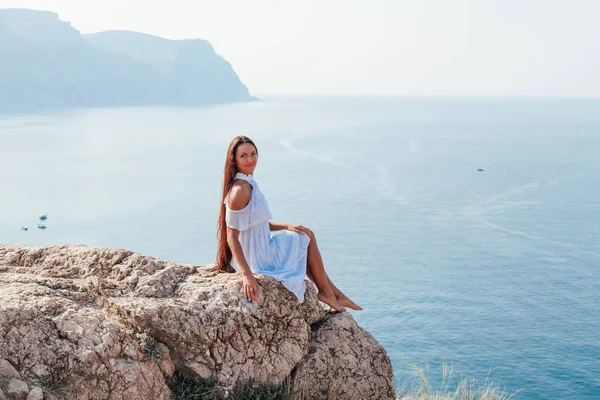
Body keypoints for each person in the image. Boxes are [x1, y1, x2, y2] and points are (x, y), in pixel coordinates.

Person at [215, 135, 362, 312]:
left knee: (303, 236)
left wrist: (287, 226)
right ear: (234, 160)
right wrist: (247, 275)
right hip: (258, 257)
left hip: (264, 247)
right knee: (306, 240)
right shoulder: (240, 190)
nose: (250, 159)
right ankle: (330, 293)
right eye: (243, 156)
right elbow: (232, 236)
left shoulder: (249, 183)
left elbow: (258, 223)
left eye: (253, 154)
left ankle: (332, 293)